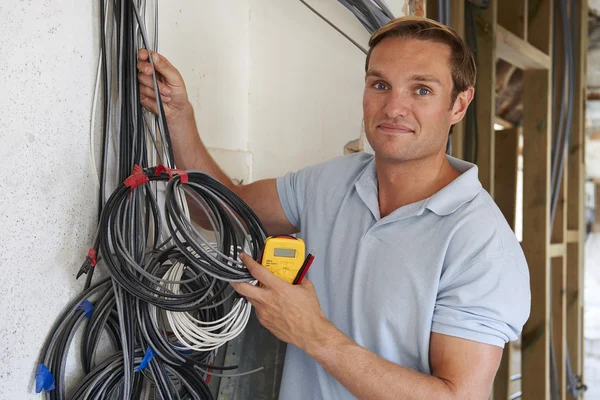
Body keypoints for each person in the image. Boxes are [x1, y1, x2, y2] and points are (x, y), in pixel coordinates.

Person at [137, 16, 530, 400]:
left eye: (422, 90)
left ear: (459, 105)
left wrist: (314, 334)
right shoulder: (331, 182)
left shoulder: (482, 246)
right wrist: (178, 117)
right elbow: (218, 212)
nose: (394, 107)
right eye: (380, 84)